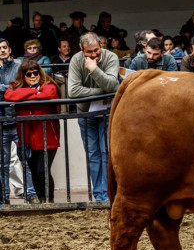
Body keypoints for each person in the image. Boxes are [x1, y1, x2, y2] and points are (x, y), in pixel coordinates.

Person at [68, 32, 120, 202]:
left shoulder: (111, 57)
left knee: (107, 152)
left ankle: (108, 194)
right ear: (82, 50)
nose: (93, 54)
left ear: (101, 45)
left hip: (107, 112)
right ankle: (99, 194)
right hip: (86, 112)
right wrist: (102, 92)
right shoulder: (76, 60)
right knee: (93, 154)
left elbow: (112, 84)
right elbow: (73, 91)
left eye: (96, 50)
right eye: (89, 52)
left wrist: (94, 69)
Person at [5, 60, 60, 203]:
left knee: (43, 170)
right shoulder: (15, 86)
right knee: (34, 171)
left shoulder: (49, 85)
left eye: (35, 73)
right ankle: (42, 200)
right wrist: (34, 91)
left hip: (47, 135)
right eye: (28, 74)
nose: (33, 76)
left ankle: (50, 199)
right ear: (23, 76)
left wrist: (24, 95)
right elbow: (10, 96)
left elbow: (48, 94)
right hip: (27, 138)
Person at [0, 38, 40, 205]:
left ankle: (31, 194)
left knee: (25, 159)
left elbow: (19, 87)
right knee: (2, 163)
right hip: (1, 120)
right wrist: (8, 88)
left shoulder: (18, 66)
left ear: (10, 50)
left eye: (4, 47)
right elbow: (11, 88)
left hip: (17, 118)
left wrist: (8, 88)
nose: (2, 50)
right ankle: (4, 197)